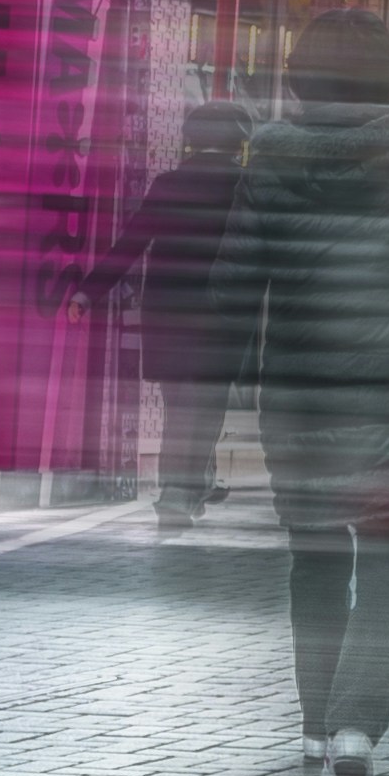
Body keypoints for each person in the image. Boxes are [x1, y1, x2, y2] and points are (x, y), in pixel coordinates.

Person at [211, 8, 389, 776]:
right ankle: (355, 726)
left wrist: (207, 385)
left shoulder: (266, 155)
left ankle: (314, 721)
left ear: (300, 74)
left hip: (299, 395)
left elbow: (236, 279)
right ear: (383, 73)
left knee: (315, 556)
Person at [125, 98, 253, 533]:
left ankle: (188, 486)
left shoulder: (168, 184)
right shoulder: (246, 187)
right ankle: (178, 494)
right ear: (239, 141)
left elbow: (131, 242)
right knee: (205, 410)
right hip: (222, 318)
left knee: (178, 405)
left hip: (167, 314)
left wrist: (87, 292)